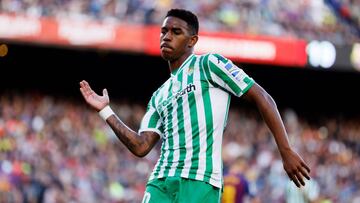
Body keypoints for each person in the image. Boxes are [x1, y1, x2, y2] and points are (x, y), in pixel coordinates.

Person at [79, 8, 311, 203]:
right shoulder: (159, 95)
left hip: (201, 182)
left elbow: (262, 96)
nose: (166, 37)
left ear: (192, 40)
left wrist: (286, 151)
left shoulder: (209, 64)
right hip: (160, 182)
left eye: (175, 32)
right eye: (164, 31)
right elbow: (141, 146)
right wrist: (105, 111)